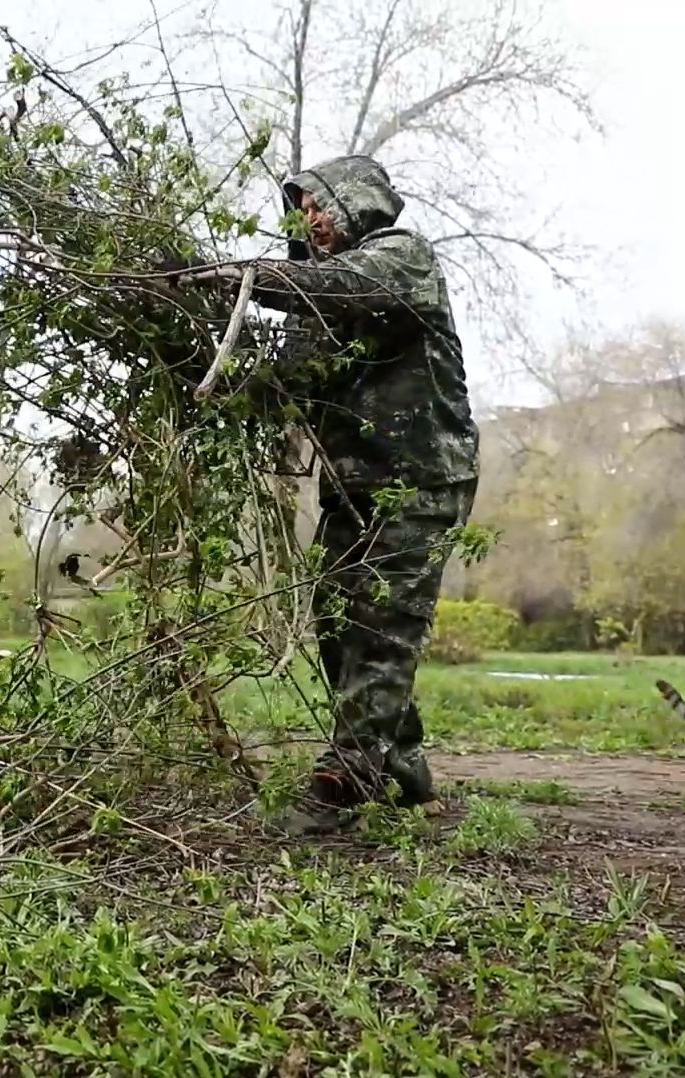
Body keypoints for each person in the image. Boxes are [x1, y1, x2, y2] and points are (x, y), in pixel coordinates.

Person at [184, 154, 481, 835]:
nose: (310, 220)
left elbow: (337, 287)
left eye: (318, 205)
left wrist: (235, 276)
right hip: (351, 486)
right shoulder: (322, 312)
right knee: (340, 627)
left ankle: (346, 781)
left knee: (382, 625)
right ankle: (402, 772)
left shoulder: (400, 257)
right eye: (300, 212)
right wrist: (188, 353)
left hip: (420, 479)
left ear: (355, 200)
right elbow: (276, 385)